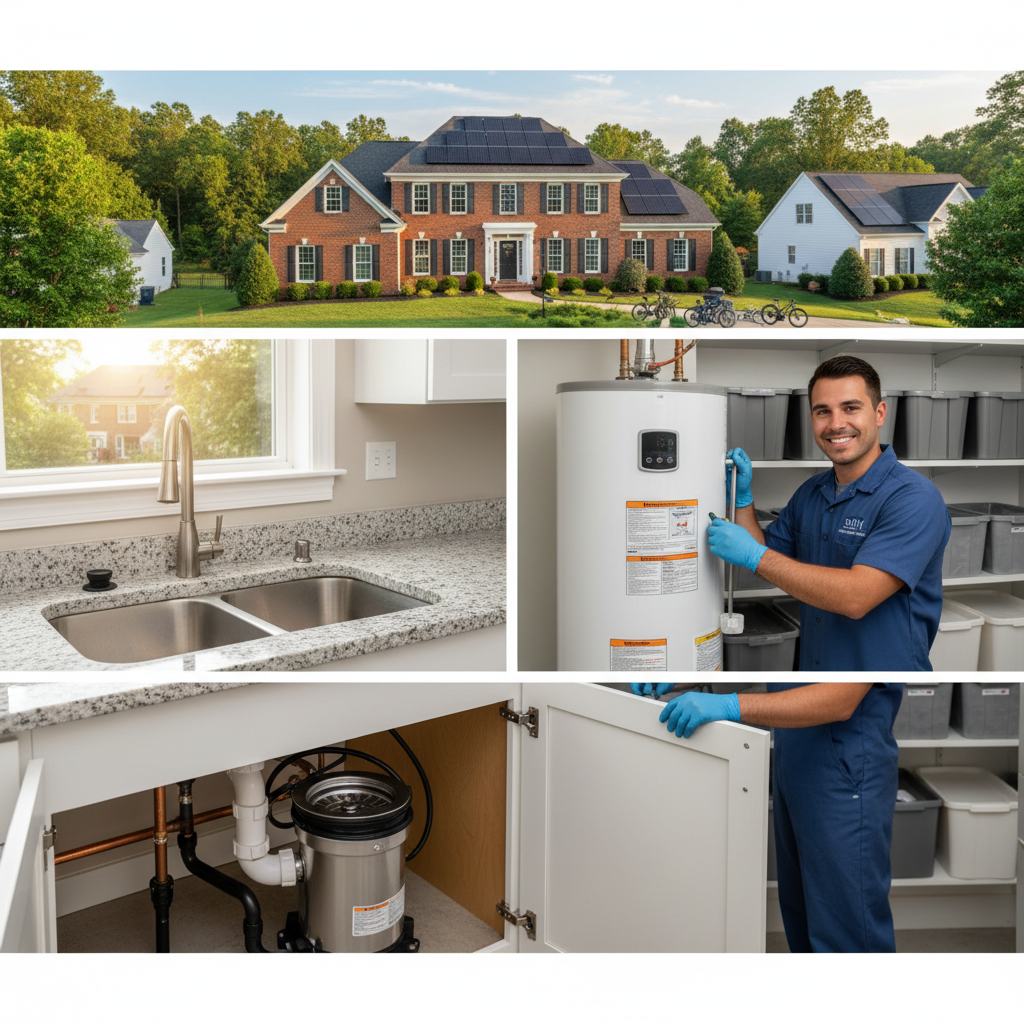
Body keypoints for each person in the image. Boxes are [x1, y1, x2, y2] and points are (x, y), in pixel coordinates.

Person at [707, 354, 951, 671]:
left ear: (879, 413)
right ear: (812, 419)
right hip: (815, 681)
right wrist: (742, 501)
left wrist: (754, 555)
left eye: (850, 408)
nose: (836, 424)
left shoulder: (914, 498)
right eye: (823, 412)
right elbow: (766, 557)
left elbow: (856, 597)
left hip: (883, 691)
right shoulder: (811, 492)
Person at [629, 682, 903, 953]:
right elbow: (787, 669)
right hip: (796, 758)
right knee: (802, 917)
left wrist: (732, 705)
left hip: (844, 766)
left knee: (846, 928)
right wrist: (682, 680)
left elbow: (843, 698)